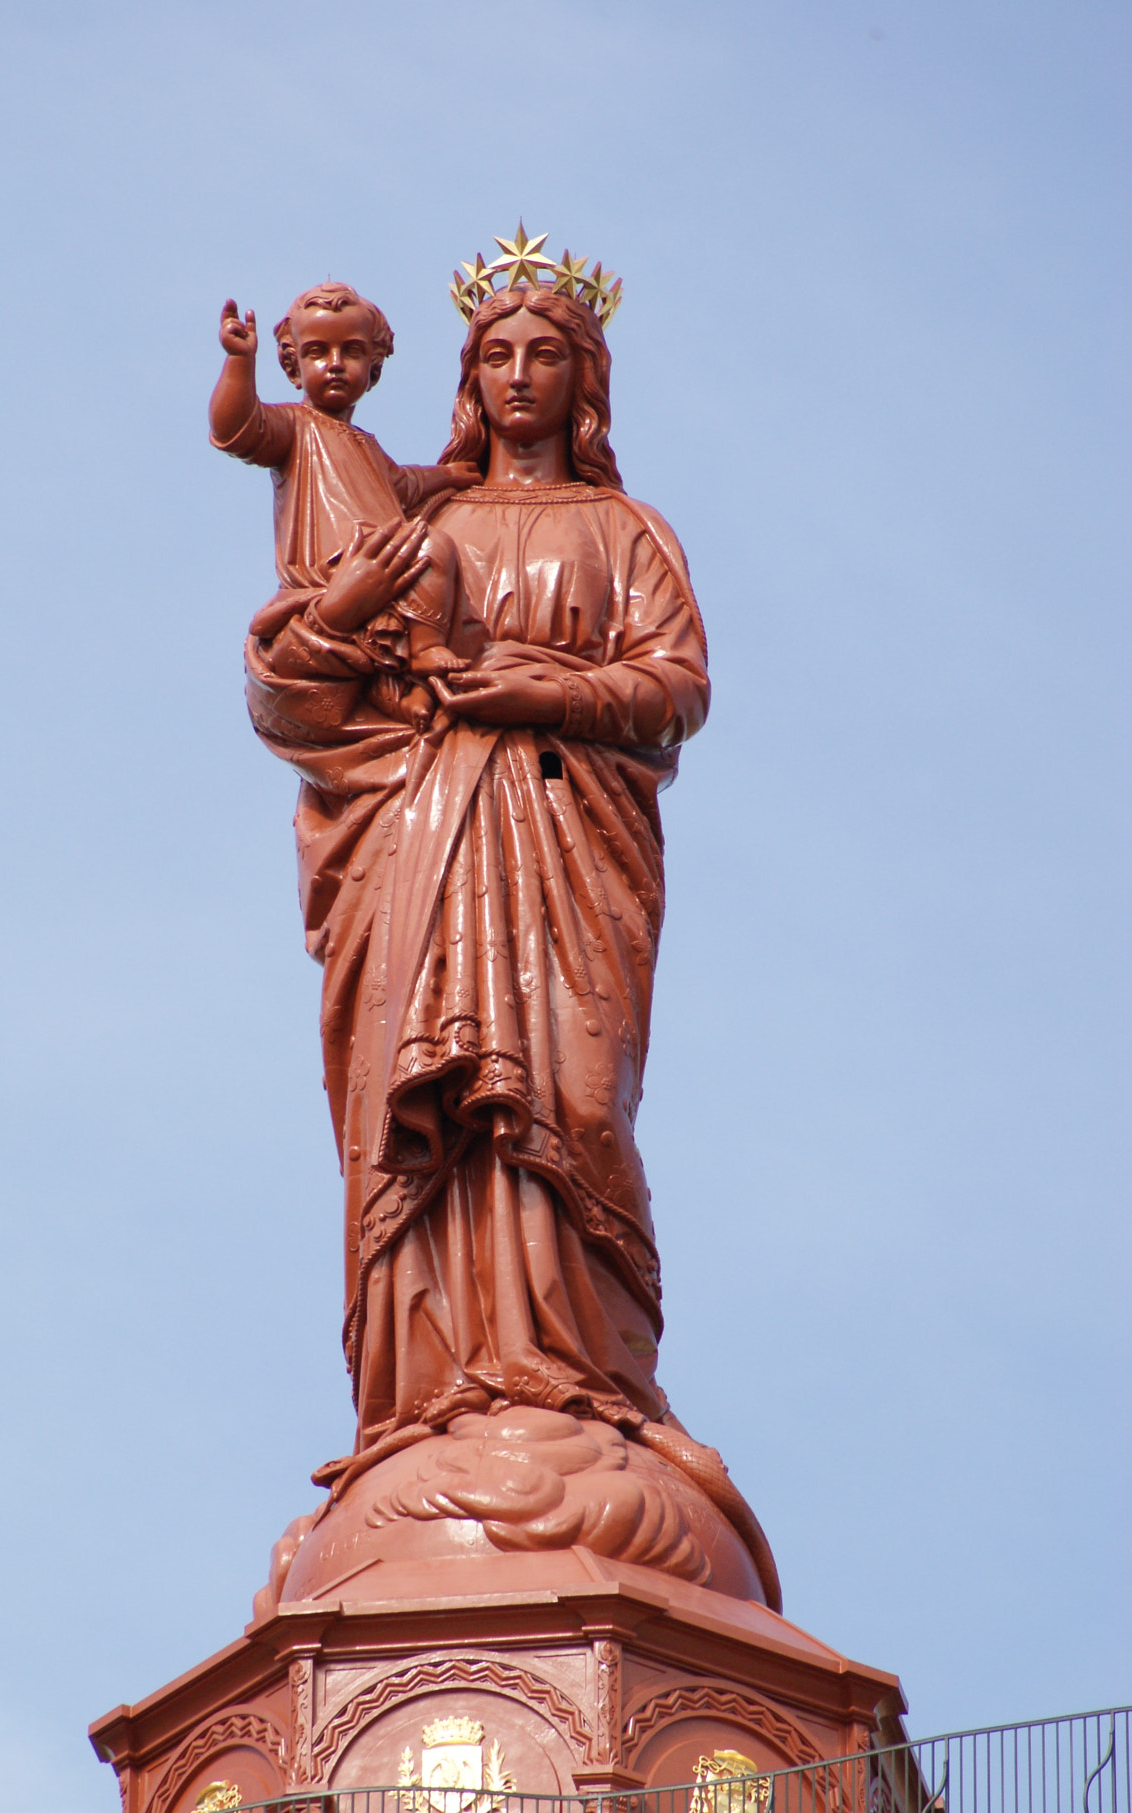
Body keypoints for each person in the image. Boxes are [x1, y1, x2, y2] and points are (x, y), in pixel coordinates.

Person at [242, 277, 778, 1604]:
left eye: (548, 353)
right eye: (497, 353)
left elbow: (674, 688)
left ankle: (583, 1382)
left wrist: (538, 684)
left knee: (563, 1094)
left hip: (560, 832)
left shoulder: (622, 530)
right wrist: (332, 622)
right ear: (467, 376)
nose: (520, 374)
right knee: (425, 1109)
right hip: (416, 836)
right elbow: (295, 688)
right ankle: (432, 1393)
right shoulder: (414, 518)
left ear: (584, 381)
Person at [209, 283, 478, 730]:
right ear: (294, 367)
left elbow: (404, 485)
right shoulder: (292, 428)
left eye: (350, 353)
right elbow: (235, 428)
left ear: (372, 370)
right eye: (317, 353)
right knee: (417, 559)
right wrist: (240, 362)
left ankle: (418, 664)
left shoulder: (368, 447)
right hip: (331, 573)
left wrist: (451, 475)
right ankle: (400, 689)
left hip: (388, 563)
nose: (334, 365)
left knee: (434, 550)